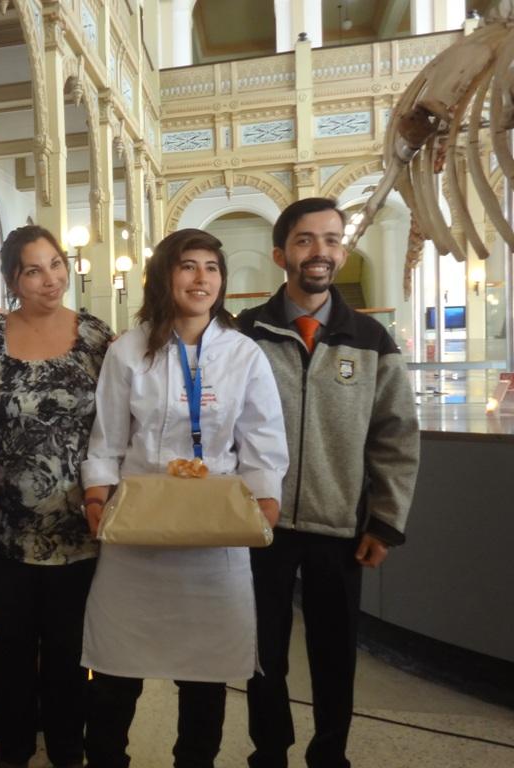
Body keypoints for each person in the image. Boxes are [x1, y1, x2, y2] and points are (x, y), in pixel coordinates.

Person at [80, 228, 289, 768]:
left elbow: (263, 439)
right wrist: (97, 497)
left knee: (205, 673)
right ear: (165, 276)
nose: (202, 279)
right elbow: (106, 436)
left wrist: (265, 500)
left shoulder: (243, 354)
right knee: (115, 670)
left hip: (212, 529)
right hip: (139, 527)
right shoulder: (128, 350)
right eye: (188, 266)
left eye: (212, 268)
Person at [237, 198, 419, 768]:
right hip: (258, 523)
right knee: (262, 651)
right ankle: (269, 752)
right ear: (280, 253)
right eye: (306, 240)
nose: (321, 251)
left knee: (335, 653)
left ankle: (330, 755)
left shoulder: (371, 339)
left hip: (339, 523)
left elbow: (395, 435)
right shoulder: (244, 334)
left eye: (332, 240)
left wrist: (385, 521)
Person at [0, 225, 112, 768]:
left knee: (69, 649)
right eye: (34, 269)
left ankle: (66, 750)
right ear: (13, 279)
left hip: (79, 527)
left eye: (56, 264)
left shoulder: (96, 336)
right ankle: (12, 751)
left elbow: (119, 422)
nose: (50, 279)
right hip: (5, 527)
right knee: (10, 646)